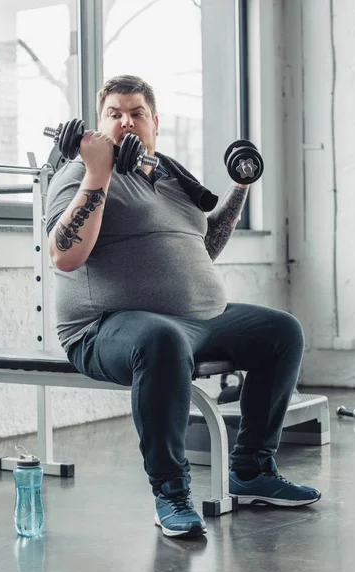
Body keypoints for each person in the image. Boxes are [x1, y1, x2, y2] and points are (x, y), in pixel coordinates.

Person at [45, 74, 321, 539]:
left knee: (281, 331)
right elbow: (64, 256)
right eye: (114, 114)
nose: (125, 122)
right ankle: (171, 493)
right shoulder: (79, 174)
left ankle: (252, 471)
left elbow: (203, 247)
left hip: (198, 320)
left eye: (136, 113)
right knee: (161, 339)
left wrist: (239, 187)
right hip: (104, 328)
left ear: (155, 121)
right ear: (99, 123)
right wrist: (97, 171)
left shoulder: (171, 177)